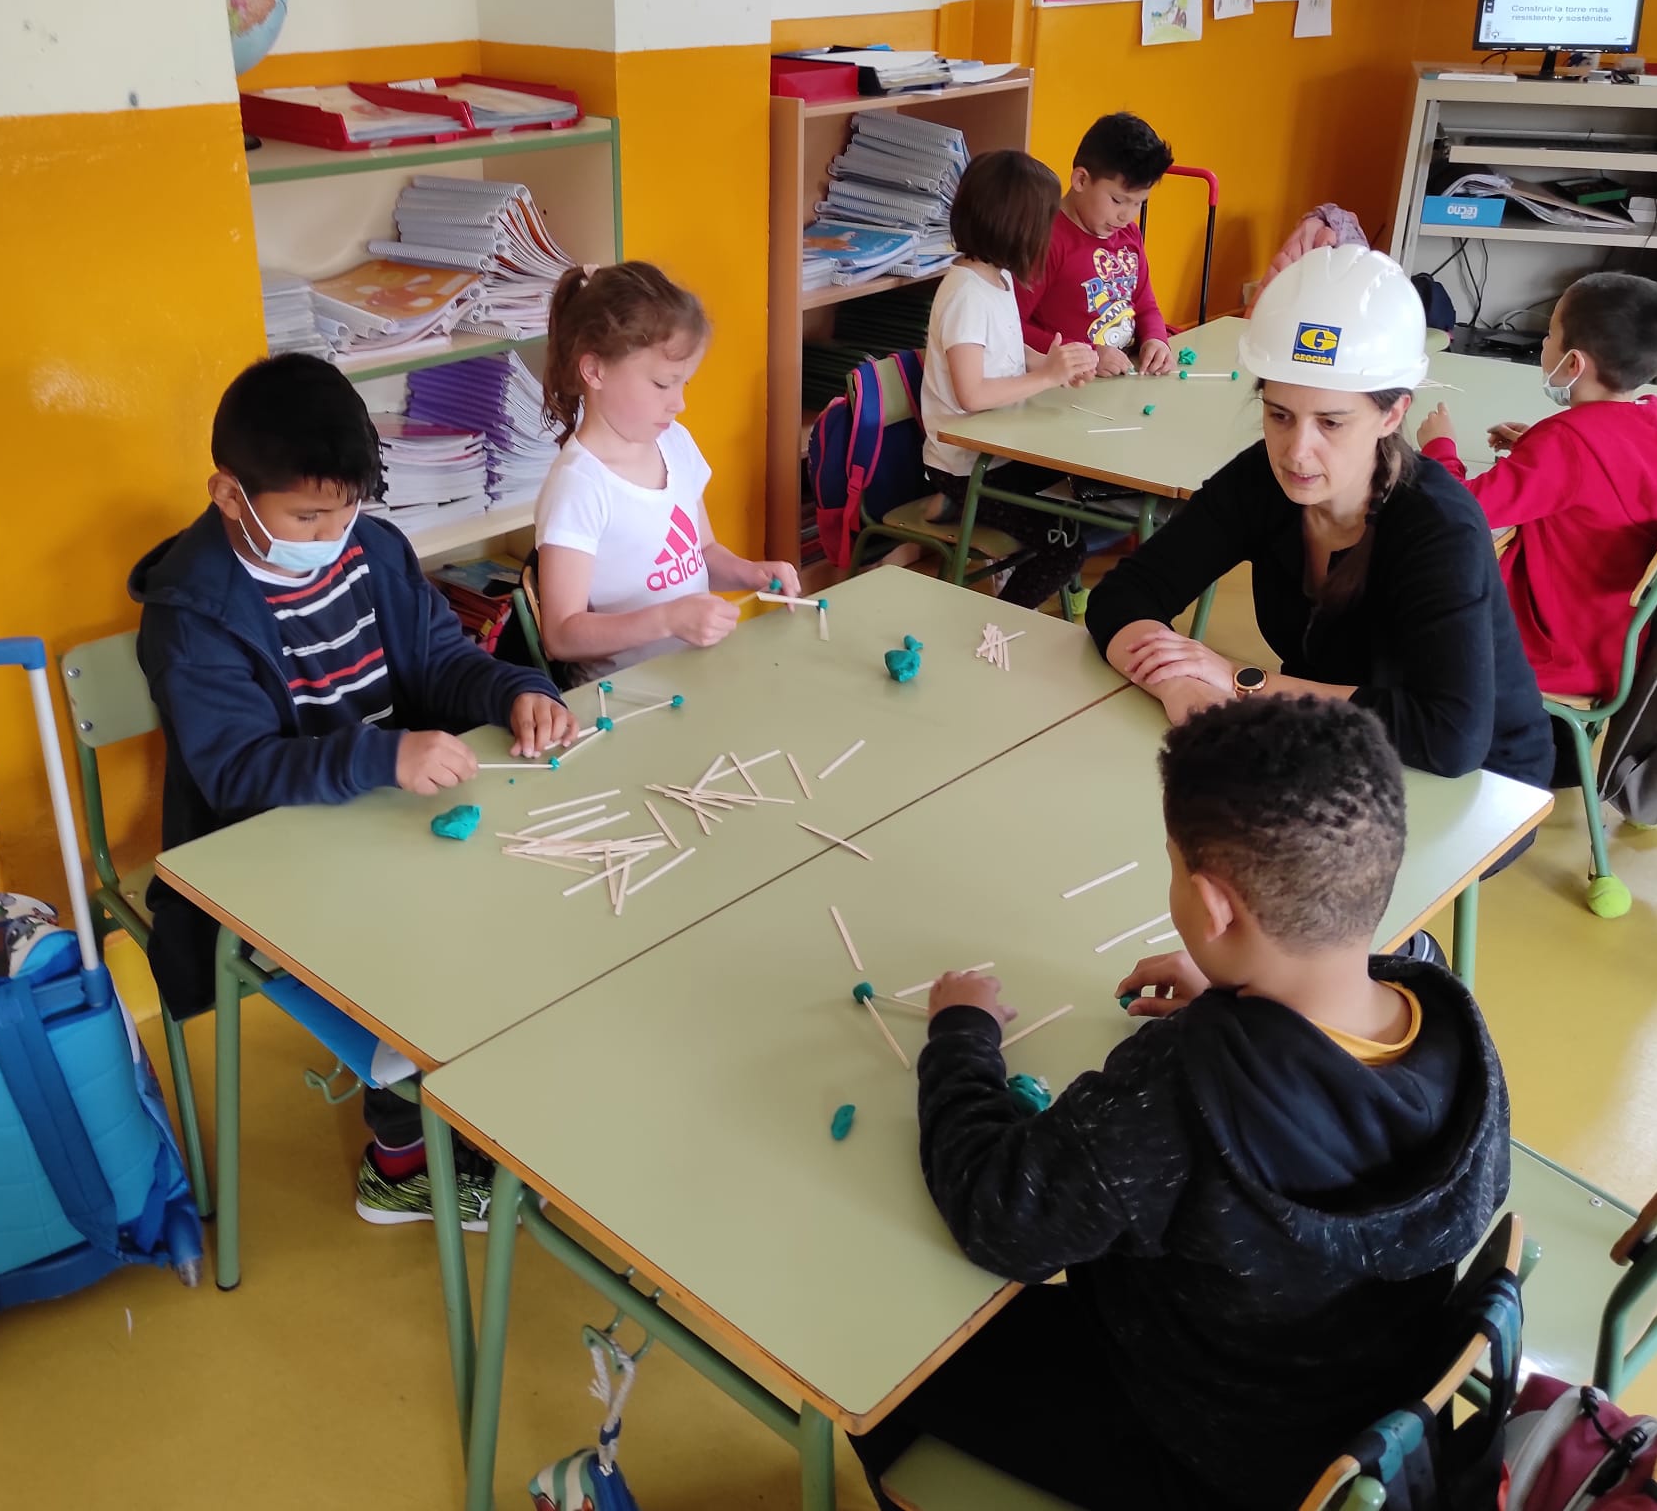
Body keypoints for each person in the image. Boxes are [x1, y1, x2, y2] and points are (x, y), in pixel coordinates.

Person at [852, 696, 1510, 1511]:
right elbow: (1329, 1100)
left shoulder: (1176, 1093)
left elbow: (998, 1215)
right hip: (1360, 1410)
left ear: (1212, 906)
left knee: (873, 1365)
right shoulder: (1453, 1025)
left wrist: (961, 1037)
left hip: (1206, 1453)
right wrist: (1241, 1004)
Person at [131, 353, 575, 1225]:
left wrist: (516, 690)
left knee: (530, 896)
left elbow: (441, 661)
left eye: (348, 510)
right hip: (266, 849)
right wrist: (381, 759)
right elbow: (237, 773)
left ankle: (480, 1109)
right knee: (419, 948)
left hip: (387, 810)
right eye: (307, 517)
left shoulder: (373, 550)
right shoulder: (192, 616)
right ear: (229, 496)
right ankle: (400, 1163)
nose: (332, 534)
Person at [1086, 245, 1554, 792]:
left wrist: (1238, 681)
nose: (1296, 452)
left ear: (1393, 413)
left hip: (1483, 785)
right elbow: (1122, 597)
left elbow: (1449, 739)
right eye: (1279, 415)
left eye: (1331, 423)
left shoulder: (1439, 526)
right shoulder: (1261, 480)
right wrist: (1182, 688)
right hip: (1333, 744)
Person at [533, 260, 799, 684]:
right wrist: (668, 619)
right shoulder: (579, 486)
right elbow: (562, 635)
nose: (679, 403)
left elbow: (701, 552)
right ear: (595, 370)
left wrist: (751, 572)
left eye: (683, 384)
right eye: (662, 384)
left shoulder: (674, 443)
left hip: (694, 674)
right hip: (624, 695)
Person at [1416, 272, 1657, 700]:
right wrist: (1533, 448)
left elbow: (1459, 512)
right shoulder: (1650, 416)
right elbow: (1611, 477)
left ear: (1573, 364)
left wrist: (1439, 448)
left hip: (1550, 654)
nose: (1544, 344)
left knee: (1407, 582)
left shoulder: (1567, 443)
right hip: (1613, 650)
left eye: (1549, 335)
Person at [919, 148, 1096, 608]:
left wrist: (1050, 364)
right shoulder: (966, 297)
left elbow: (1005, 351)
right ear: (1017, 228)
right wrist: (1047, 377)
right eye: (1045, 222)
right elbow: (972, 393)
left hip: (998, 449)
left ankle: (957, 509)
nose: (1049, 234)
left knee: (1082, 476)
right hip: (967, 465)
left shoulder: (994, 279)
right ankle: (1001, 620)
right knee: (1066, 547)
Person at [1015, 111, 1178, 378]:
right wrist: (1087, 355)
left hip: (1123, 378)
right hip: (1069, 385)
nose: (1127, 216)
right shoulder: (1044, 240)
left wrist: (1155, 339)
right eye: (1118, 200)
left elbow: (1144, 304)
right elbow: (1011, 326)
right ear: (1081, 180)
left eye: (1139, 203)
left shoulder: (1128, 235)